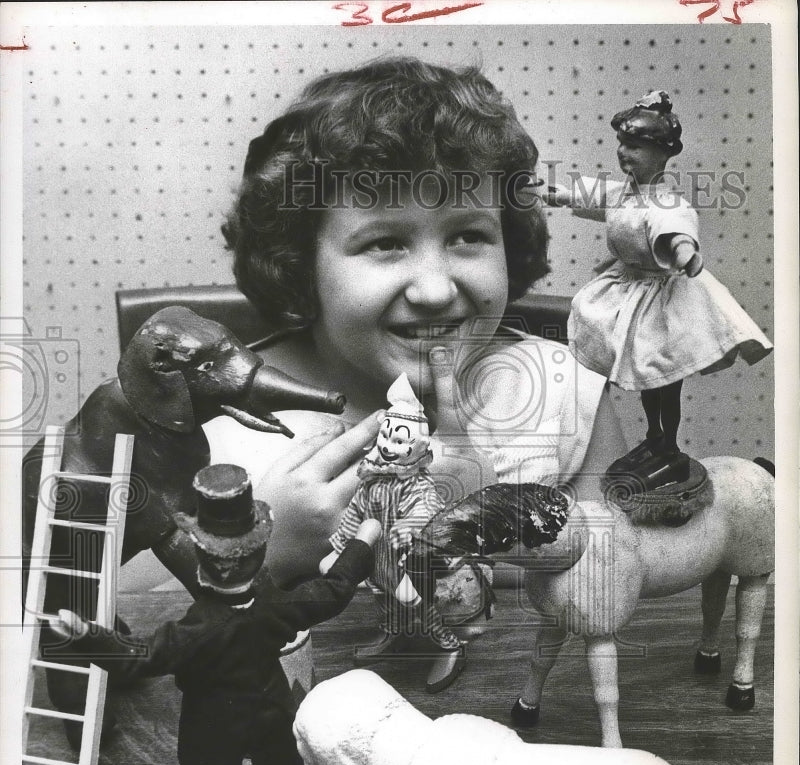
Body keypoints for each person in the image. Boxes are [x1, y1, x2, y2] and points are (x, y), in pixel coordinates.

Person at [204, 56, 626, 595]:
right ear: (299, 264)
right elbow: (138, 627)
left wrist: (488, 528)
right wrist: (270, 557)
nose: (435, 290)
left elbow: (617, 574)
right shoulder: (220, 432)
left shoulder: (567, 395)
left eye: (468, 235)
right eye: (384, 243)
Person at [50, 464, 379, 765]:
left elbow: (135, 659)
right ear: (261, 553)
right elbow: (335, 590)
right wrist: (362, 542)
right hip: (271, 706)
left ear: (201, 559)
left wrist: (86, 637)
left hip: (212, 726)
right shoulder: (278, 605)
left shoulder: (192, 630)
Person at [544, 90, 772, 491]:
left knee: (664, 377)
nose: (622, 153)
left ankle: (667, 444)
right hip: (631, 290)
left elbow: (674, 228)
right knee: (645, 376)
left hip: (664, 301)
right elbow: (599, 196)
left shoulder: (665, 202)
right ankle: (655, 437)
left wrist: (684, 252)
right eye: (621, 143)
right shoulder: (627, 192)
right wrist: (560, 194)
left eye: (632, 145)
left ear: (660, 153)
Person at [322, 373, 467, 693]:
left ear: (418, 450)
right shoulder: (373, 478)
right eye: (385, 437)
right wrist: (341, 546)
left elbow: (428, 508)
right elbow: (355, 512)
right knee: (384, 597)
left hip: (410, 562)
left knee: (418, 603)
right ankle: (394, 632)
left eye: (399, 441)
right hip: (379, 558)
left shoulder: (419, 485)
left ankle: (449, 644)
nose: (388, 446)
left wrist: (408, 527)